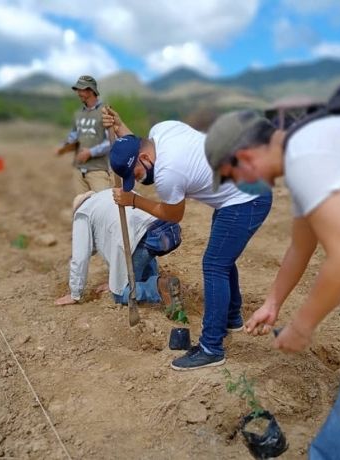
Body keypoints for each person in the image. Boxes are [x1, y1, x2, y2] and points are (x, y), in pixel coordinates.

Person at [204, 109, 340, 459]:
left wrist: (303, 325)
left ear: (245, 156)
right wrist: (272, 303)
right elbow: (302, 245)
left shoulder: (306, 157)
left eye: (232, 175)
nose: (238, 186)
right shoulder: (303, 153)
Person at [102, 108, 273, 371]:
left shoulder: (167, 174)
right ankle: (232, 317)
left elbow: (173, 214)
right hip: (242, 188)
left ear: (146, 158)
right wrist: (121, 127)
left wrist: (134, 200)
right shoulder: (162, 130)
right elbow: (137, 145)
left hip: (246, 199)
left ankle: (211, 348)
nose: (137, 180)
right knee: (222, 258)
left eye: (135, 174)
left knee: (214, 265)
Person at [54, 188, 182, 308]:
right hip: (167, 230)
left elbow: (80, 257)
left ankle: (158, 287)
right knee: (142, 250)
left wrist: (75, 294)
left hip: (143, 239)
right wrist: (114, 281)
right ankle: (160, 285)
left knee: (121, 293)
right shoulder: (113, 194)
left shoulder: (82, 213)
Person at [56, 75, 112, 196]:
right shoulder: (78, 113)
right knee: (82, 208)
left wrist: (90, 152)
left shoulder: (106, 111)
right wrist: (64, 145)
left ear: (91, 90)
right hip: (78, 170)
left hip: (98, 170)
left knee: (102, 206)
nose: (78, 93)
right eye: (78, 90)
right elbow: (74, 135)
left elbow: (111, 141)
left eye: (81, 89)